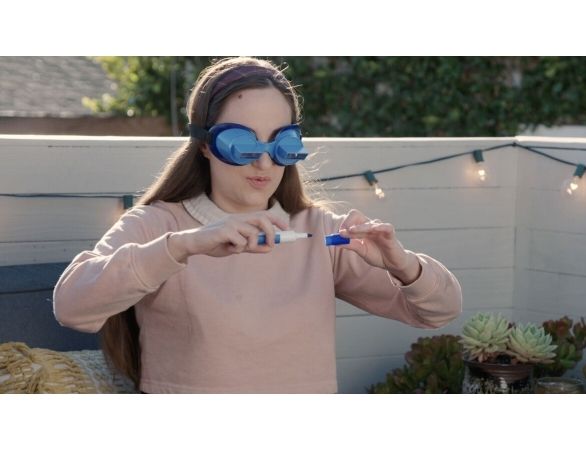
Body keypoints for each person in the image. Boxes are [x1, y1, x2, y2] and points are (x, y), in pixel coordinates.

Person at [53, 56, 463, 393]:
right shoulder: (159, 226)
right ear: (205, 145)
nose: (264, 163)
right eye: (242, 144)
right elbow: (72, 307)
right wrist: (184, 246)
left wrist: (402, 265)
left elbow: (440, 312)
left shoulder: (321, 232)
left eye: (281, 144)